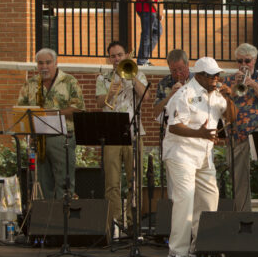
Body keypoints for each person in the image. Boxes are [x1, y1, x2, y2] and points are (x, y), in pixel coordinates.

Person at [163, 57, 236, 257]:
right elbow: (174, 126)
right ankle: (177, 251)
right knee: (185, 198)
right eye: (212, 75)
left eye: (218, 75)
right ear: (200, 76)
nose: (216, 78)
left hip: (204, 155)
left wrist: (229, 98)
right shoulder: (184, 94)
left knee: (210, 198)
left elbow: (232, 117)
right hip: (181, 153)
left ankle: (200, 245)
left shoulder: (216, 94)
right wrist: (200, 133)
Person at [17, 48, 85, 200]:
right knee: (41, 185)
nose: (44, 67)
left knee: (64, 184)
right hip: (38, 139)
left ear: (56, 63)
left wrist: (52, 113)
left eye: (48, 62)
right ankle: (46, 220)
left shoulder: (69, 81)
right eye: (40, 63)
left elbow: (78, 109)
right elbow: (21, 109)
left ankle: (64, 220)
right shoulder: (30, 83)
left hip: (62, 138)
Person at [96, 41, 150, 232]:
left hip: (134, 133)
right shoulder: (103, 78)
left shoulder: (139, 73)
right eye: (113, 56)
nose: (116, 59)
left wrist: (132, 77)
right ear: (108, 58)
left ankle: (133, 224)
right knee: (112, 182)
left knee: (135, 181)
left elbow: (146, 97)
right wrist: (111, 91)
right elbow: (99, 102)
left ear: (126, 55)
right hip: (111, 134)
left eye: (119, 55)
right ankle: (115, 223)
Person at [222, 43, 258, 212]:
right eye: (239, 61)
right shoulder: (228, 80)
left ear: (254, 61)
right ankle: (243, 216)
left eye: (247, 61)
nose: (243, 65)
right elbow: (222, 107)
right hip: (237, 131)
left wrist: (254, 85)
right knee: (239, 178)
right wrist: (233, 89)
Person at [153, 49, 193, 198]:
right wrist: (171, 95)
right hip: (173, 140)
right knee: (175, 189)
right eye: (173, 70)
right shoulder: (165, 83)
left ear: (188, 65)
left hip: (194, 138)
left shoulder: (198, 81)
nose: (177, 74)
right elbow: (156, 112)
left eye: (181, 69)